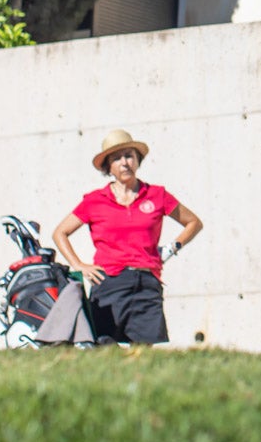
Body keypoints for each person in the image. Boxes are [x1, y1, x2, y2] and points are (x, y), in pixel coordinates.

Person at [52, 129, 202, 344]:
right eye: (117, 158)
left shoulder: (157, 195)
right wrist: (79, 265)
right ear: (108, 167)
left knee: (143, 353)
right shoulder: (94, 200)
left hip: (146, 282)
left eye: (129, 156)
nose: (124, 162)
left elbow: (193, 222)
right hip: (109, 282)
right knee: (105, 347)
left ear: (137, 160)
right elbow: (60, 232)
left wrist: (172, 247)